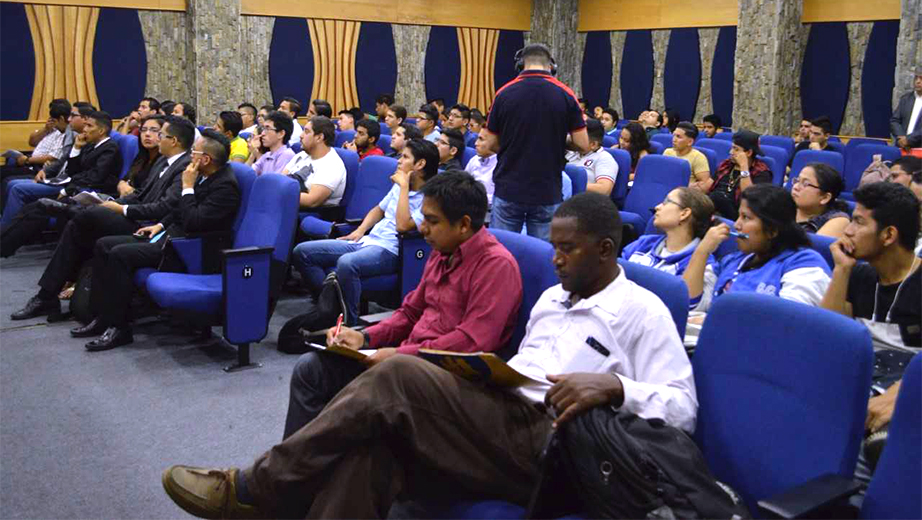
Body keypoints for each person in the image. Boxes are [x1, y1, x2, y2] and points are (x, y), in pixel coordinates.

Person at [161, 192, 698, 519]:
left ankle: (259, 488)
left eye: (567, 250)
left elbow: (682, 407)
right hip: (504, 417)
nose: (554, 260)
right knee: (373, 449)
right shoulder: (554, 298)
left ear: (605, 250)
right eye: (552, 247)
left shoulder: (642, 310)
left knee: (399, 373)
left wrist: (616, 387)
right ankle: (278, 501)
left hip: (556, 448)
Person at [283, 171, 523, 437]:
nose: (422, 228)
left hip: (450, 376)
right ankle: (305, 471)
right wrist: (363, 338)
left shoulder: (496, 266)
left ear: (464, 225)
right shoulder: (443, 251)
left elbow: (472, 343)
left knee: (357, 401)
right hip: (408, 359)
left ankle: (293, 473)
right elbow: (410, 313)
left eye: (432, 221)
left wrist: (400, 356)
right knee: (312, 369)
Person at [9, 117, 194, 320]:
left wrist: (121, 208)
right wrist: (119, 202)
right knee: (79, 227)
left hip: (149, 226)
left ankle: (47, 295)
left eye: (160, 134)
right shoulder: (163, 161)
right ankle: (48, 296)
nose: (155, 137)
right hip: (137, 214)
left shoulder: (184, 167)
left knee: (85, 218)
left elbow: (164, 208)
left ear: (174, 141)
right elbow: (141, 194)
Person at [79, 129, 242, 351]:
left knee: (120, 254)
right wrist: (160, 225)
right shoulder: (204, 175)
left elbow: (193, 220)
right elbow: (179, 210)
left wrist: (187, 186)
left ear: (206, 159)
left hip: (191, 251)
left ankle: (119, 328)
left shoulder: (225, 186)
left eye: (194, 151)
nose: (190, 155)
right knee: (104, 244)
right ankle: (101, 316)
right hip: (171, 236)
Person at [290, 139, 438, 324]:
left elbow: (402, 226)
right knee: (303, 252)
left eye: (405, 157)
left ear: (420, 164)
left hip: (391, 250)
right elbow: (379, 209)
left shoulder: (431, 196)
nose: (399, 160)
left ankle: (350, 325)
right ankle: (330, 310)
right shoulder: (399, 184)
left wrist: (404, 187)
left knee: (346, 263)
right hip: (368, 241)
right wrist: (359, 231)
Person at [480, 43, 589, 241]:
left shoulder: (503, 93)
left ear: (520, 65)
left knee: (502, 252)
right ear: (551, 66)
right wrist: (554, 139)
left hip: (508, 188)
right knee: (543, 257)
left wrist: (515, 143)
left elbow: (490, 144)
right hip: (547, 190)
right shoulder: (566, 94)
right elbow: (582, 144)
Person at [686, 184, 831, 311]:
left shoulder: (804, 263)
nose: (736, 225)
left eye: (746, 217)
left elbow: (787, 324)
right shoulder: (734, 259)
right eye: (738, 216)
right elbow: (691, 303)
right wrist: (702, 251)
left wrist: (717, 319)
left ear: (772, 230)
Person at [821, 181, 920, 349]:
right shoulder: (857, 274)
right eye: (851, 220)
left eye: (858, 222)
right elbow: (827, 333)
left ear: (888, 235)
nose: (847, 231)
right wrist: (841, 269)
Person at [2, 111, 121, 229]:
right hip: (69, 183)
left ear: (101, 131)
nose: (84, 129)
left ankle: (4, 230)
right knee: (14, 186)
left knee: (18, 189)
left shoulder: (109, 148)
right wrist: (76, 148)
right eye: (85, 125)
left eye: (89, 126)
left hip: (82, 190)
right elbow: (72, 171)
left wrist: (66, 190)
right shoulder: (90, 145)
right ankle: (6, 228)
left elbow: (95, 178)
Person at [622, 187, 718, 310]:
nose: (657, 206)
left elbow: (690, 308)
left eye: (666, 202)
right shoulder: (644, 243)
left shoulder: (704, 263)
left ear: (684, 213)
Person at [280, 116, 347, 211]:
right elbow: (282, 179)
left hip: (311, 214)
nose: (301, 135)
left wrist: (279, 193)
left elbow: (312, 201)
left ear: (319, 137)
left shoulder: (332, 165)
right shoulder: (301, 155)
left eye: (306, 132)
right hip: (288, 205)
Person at [707, 129, 772, 220]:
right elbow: (709, 185)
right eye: (732, 148)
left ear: (749, 153)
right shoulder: (726, 164)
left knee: (717, 197)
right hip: (713, 207)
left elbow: (750, 198)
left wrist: (744, 166)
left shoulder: (762, 172)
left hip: (738, 213)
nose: (731, 152)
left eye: (736, 149)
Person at [792, 163, 850, 237]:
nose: (795, 187)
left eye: (806, 184)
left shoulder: (838, 220)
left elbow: (809, 247)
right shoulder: (783, 206)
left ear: (825, 198)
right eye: (797, 181)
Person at [565, 119, 616, 196]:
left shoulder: (604, 158)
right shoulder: (572, 152)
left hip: (582, 202)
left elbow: (604, 189)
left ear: (593, 144)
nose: (573, 139)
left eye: (579, 138)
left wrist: (572, 183)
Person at [664, 122, 712, 191]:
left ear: (690, 142)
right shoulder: (667, 152)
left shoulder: (698, 157)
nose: (674, 140)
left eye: (678, 137)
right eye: (673, 135)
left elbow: (705, 185)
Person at [247, 111, 295, 175]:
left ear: (281, 134)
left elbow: (275, 183)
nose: (263, 133)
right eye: (263, 128)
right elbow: (246, 175)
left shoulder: (286, 155)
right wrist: (253, 153)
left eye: (267, 128)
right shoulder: (267, 155)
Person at [889, 68, 922, 151]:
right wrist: (901, 138)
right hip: (902, 148)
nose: (918, 81)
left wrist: (908, 139)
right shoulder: (906, 99)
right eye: (916, 78)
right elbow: (894, 121)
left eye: (921, 78)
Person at [464, 130, 497, 204]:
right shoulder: (474, 159)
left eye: (481, 139)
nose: (476, 143)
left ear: (495, 142)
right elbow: (463, 183)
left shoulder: (503, 165)